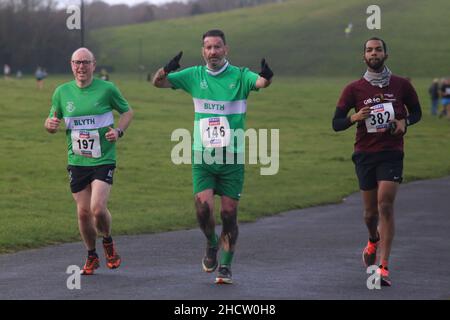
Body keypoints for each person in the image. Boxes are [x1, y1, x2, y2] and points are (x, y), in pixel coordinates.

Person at [152, 29, 273, 284]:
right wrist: (166, 69)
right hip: (203, 157)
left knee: (229, 214)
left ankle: (226, 266)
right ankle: (211, 242)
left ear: (225, 49)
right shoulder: (194, 75)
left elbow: (260, 83)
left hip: (232, 157)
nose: (213, 52)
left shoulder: (240, 76)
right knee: (203, 210)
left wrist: (266, 77)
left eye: (217, 47)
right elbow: (158, 83)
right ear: (202, 51)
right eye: (208, 47)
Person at [332, 37, 422, 286]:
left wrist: (405, 123)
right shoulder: (354, 89)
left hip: (392, 152)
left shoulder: (401, 85)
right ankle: (373, 238)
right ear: (364, 57)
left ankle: (383, 267)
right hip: (365, 154)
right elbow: (336, 123)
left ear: (386, 54)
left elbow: (417, 112)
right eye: (369, 50)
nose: (374, 53)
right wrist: (354, 118)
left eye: (378, 49)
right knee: (370, 214)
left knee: (385, 206)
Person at [44, 48, 134, 275]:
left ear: (94, 65)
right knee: (83, 213)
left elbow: (127, 112)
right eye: (77, 62)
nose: (81, 67)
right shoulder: (62, 92)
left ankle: (108, 242)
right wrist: (50, 125)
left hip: (103, 158)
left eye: (85, 62)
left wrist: (118, 131)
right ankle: (91, 255)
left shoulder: (107, 89)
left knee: (97, 207)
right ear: (71, 65)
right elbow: (52, 119)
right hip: (77, 161)